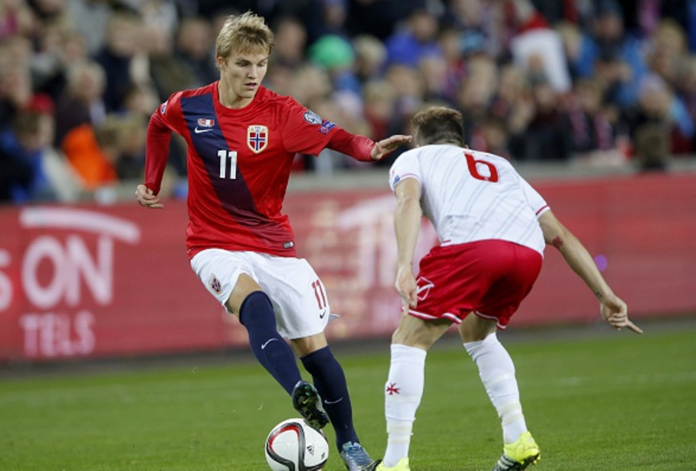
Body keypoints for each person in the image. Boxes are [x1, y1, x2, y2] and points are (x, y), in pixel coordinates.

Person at [134, 11, 411, 471]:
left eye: (260, 64)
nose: (253, 74)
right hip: (211, 243)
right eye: (243, 64)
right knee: (254, 304)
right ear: (221, 61)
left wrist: (370, 149)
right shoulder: (190, 106)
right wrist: (152, 180)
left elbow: (337, 137)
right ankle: (296, 390)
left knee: (316, 351)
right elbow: (157, 123)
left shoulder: (282, 113)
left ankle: (350, 445)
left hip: (273, 244)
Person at [375, 106, 642, 471]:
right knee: (477, 332)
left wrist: (404, 266)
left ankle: (394, 463)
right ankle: (517, 438)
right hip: (527, 255)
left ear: (419, 142)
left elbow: (407, 201)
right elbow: (559, 235)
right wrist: (605, 294)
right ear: (463, 143)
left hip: (473, 249)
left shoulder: (414, 158)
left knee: (409, 340)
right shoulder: (501, 165)